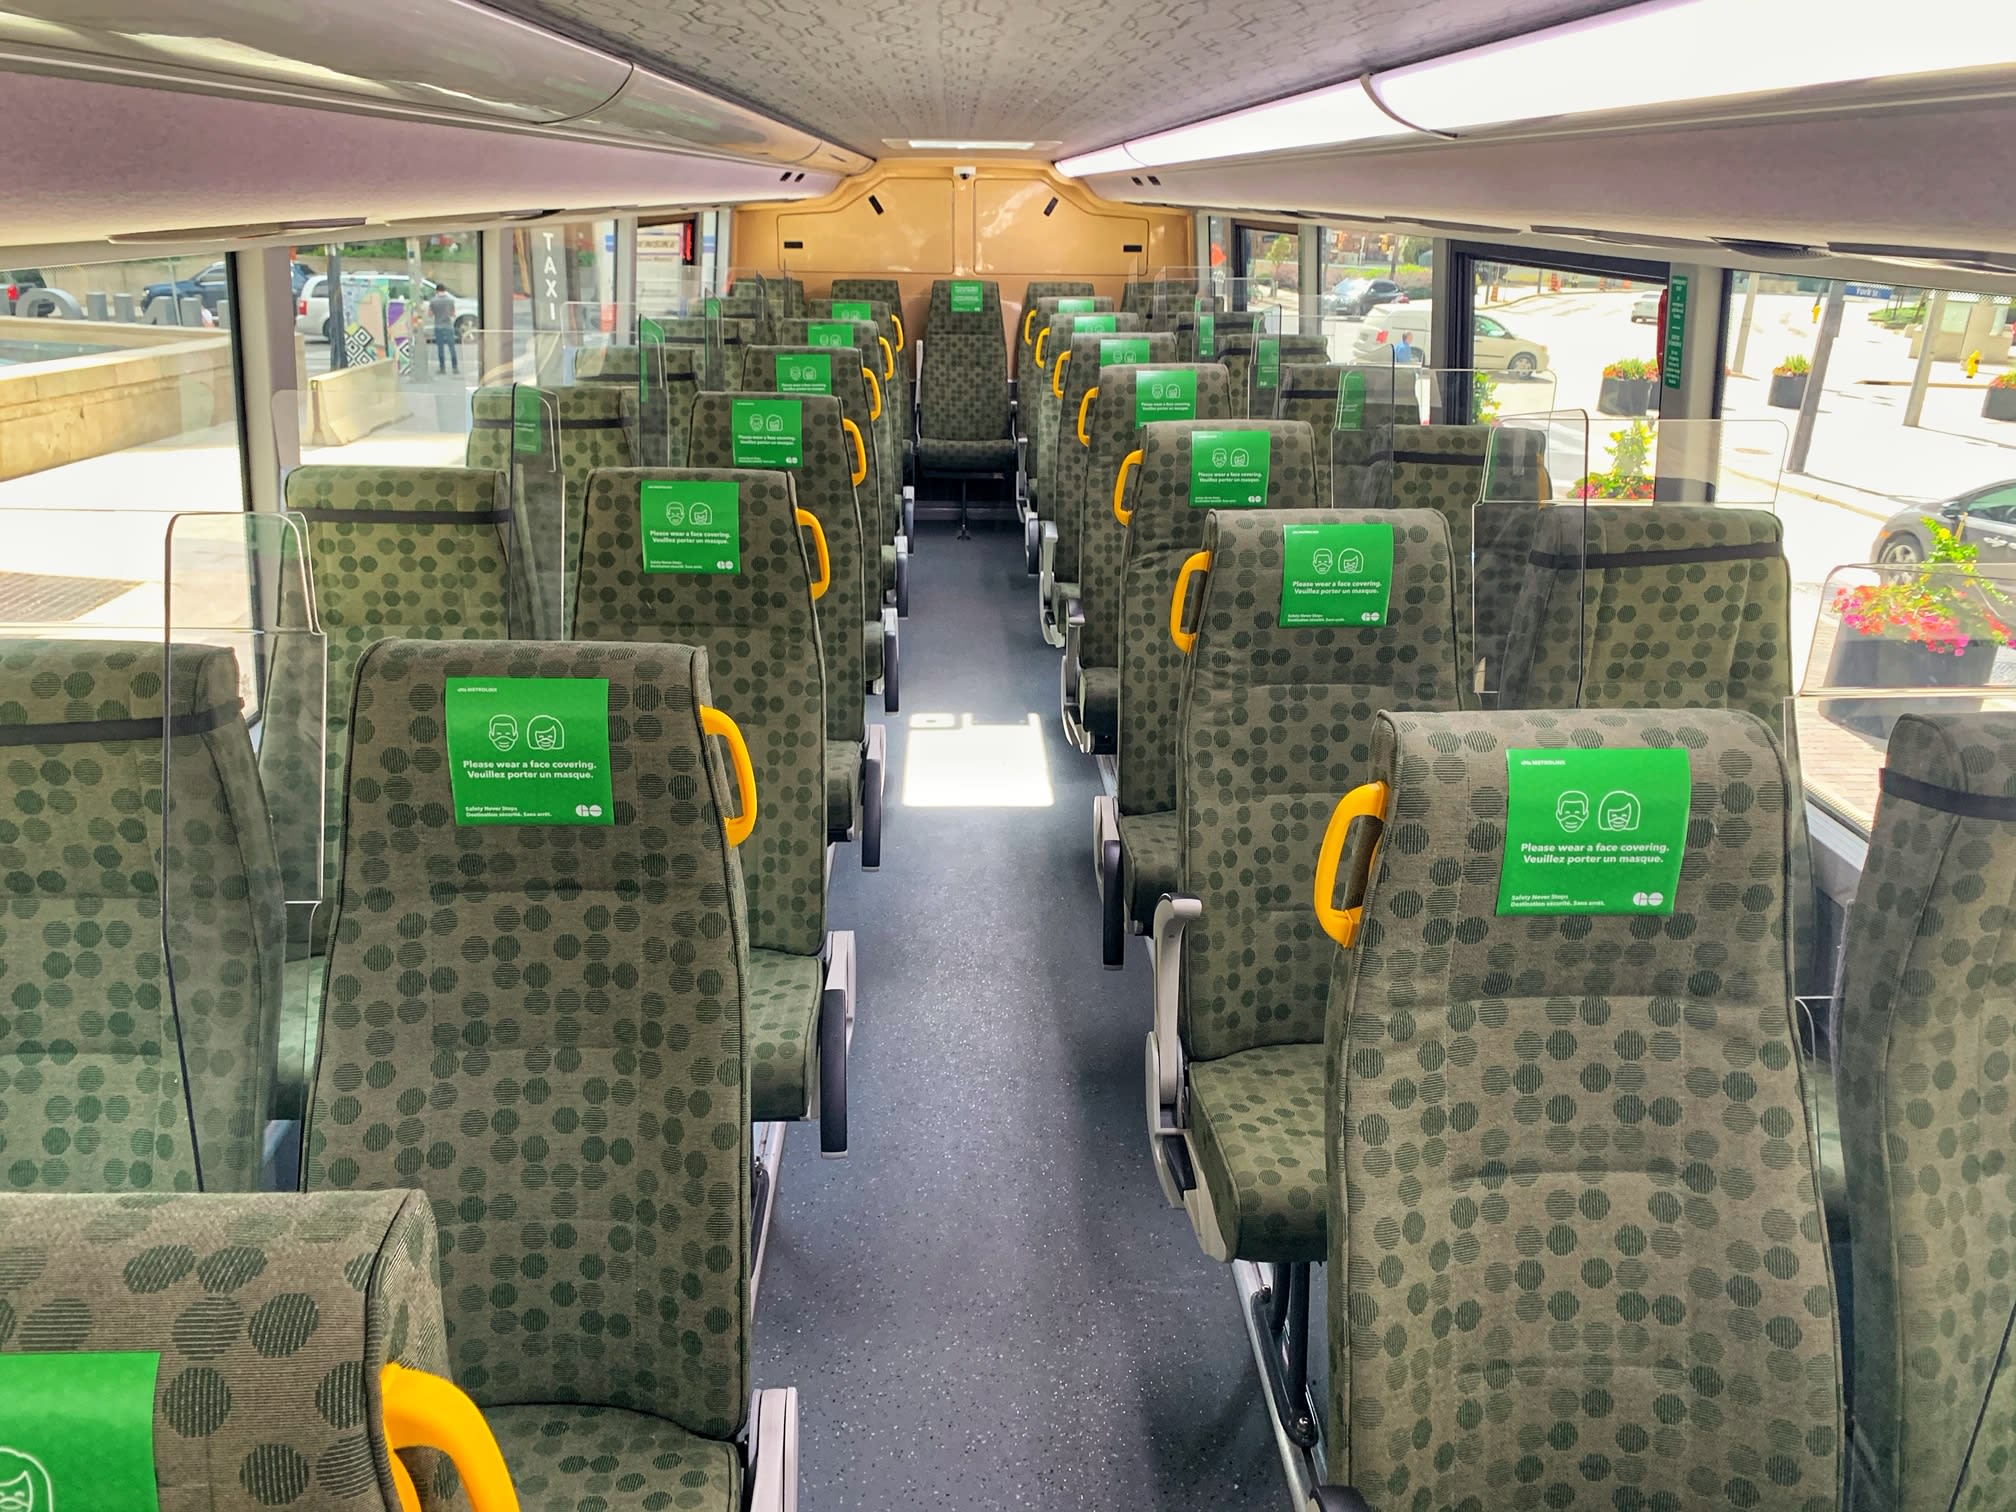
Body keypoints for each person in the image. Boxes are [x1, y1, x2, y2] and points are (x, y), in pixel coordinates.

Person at [428, 284, 458, 374]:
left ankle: (442, 368)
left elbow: (430, 314)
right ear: (444, 290)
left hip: (438, 326)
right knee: (452, 347)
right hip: (448, 326)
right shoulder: (450, 300)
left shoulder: (433, 301)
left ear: (436, 291)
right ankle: (455, 367)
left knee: (440, 348)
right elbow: (452, 314)